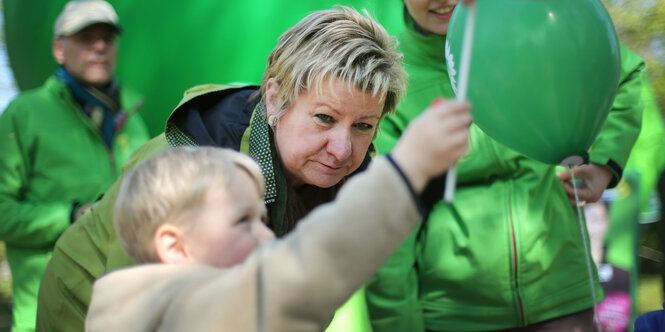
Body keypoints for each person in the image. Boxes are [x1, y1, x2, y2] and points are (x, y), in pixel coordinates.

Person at [36, 6, 408, 331]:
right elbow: (136, 313)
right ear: (277, 99)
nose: (342, 149)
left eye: (363, 126)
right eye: (325, 118)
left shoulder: (349, 187)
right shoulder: (182, 168)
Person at [364, 0, 645, 331]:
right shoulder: (387, 77)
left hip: (562, 295)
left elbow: (623, 72)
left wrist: (604, 163)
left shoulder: (535, 20)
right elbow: (387, 227)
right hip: (456, 314)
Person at [85, 95, 471, 329]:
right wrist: (407, 173)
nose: (268, 235)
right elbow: (298, 280)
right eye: (242, 222)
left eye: (260, 218)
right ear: (174, 245)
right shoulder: (180, 311)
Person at [0, 1, 149, 331]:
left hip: (124, 314)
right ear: (58, 48)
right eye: (86, 37)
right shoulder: (23, 114)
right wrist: (71, 216)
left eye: (107, 38)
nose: (99, 46)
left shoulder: (134, 120)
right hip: (46, 315)